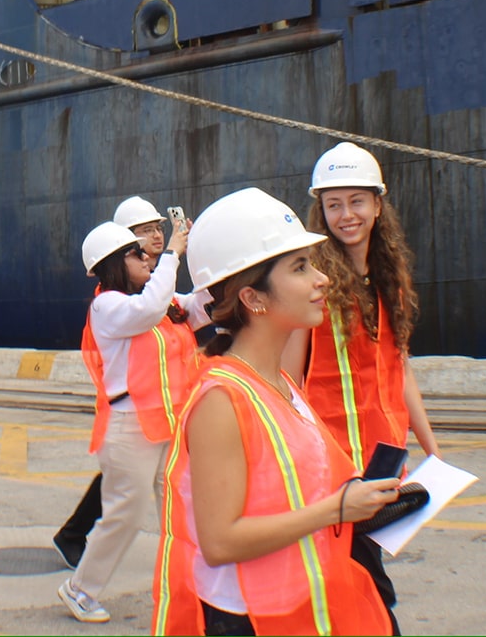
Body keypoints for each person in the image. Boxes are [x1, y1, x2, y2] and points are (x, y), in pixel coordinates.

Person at [152, 187, 397, 636]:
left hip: (292, 609)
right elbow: (220, 541)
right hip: (246, 621)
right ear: (253, 298)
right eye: (300, 267)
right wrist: (336, 510)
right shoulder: (221, 399)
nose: (322, 279)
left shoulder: (278, 382)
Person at [287, 143, 437, 619]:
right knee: (366, 589)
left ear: (377, 204)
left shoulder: (390, 278)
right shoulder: (314, 285)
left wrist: (432, 449)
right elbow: (287, 377)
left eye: (356, 201)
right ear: (321, 211)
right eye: (334, 204)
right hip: (332, 466)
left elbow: (400, 367)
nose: (346, 215)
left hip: (384, 459)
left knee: (359, 584)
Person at [58, 214, 198, 625]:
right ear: (115, 261)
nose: (147, 256)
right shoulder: (109, 306)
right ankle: (80, 589)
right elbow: (150, 309)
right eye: (138, 253)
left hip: (164, 421)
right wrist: (172, 253)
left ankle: (191, 584)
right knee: (126, 514)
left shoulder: (156, 298)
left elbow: (196, 307)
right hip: (130, 425)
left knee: (179, 505)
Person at [53, 195, 168, 568]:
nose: (156, 238)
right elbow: (147, 314)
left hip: (159, 407)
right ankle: (78, 559)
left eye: (158, 229)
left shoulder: (152, 281)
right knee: (125, 490)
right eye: (145, 232)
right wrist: (172, 261)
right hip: (130, 406)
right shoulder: (116, 300)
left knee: (136, 483)